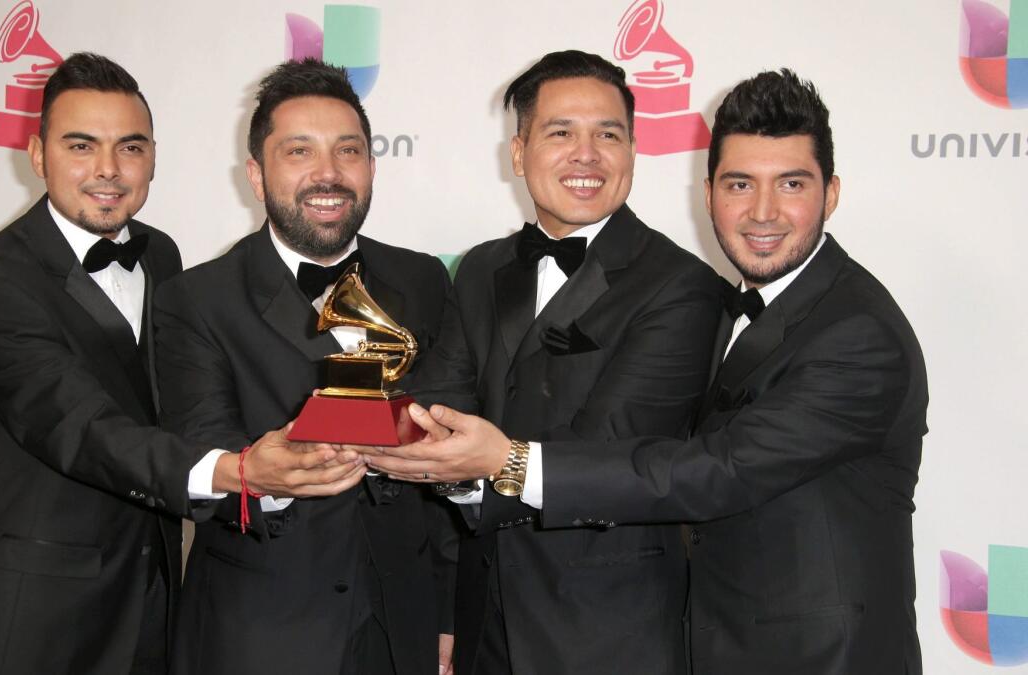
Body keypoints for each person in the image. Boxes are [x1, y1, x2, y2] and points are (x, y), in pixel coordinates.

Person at [368, 69, 928, 674]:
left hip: (806, 654)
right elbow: (441, 407)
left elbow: (714, 468)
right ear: (708, 191)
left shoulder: (855, 333)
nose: (762, 211)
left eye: (791, 183)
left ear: (832, 193)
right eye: (740, 184)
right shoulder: (483, 270)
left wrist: (503, 460)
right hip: (653, 633)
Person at [0, 52, 286, 675]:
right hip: (31, 623)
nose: (108, 170)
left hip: (148, 609)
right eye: (81, 145)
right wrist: (236, 471)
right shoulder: (0, 284)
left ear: (153, 156)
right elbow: (82, 428)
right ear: (38, 157)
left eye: (131, 147)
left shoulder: (162, 256)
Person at [364, 50, 722, 674]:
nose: (586, 155)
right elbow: (442, 410)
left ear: (634, 150)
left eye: (608, 134)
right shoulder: (479, 269)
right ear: (519, 152)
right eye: (561, 133)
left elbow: (615, 451)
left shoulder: (683, 286)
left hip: (606, 628)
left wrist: (479, 459)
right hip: (484, 622)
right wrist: (447, 606)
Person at [151, 58, 455, 675]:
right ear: (257, 177)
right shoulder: (197, 299)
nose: (328, 173)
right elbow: (200, 459)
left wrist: (448, 611)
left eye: (348, 151)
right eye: (299, 151)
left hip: (404, 626)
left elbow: (449, 451)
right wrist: (268, 478)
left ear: (372, 168)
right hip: (259, 632)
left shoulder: (424, 279)